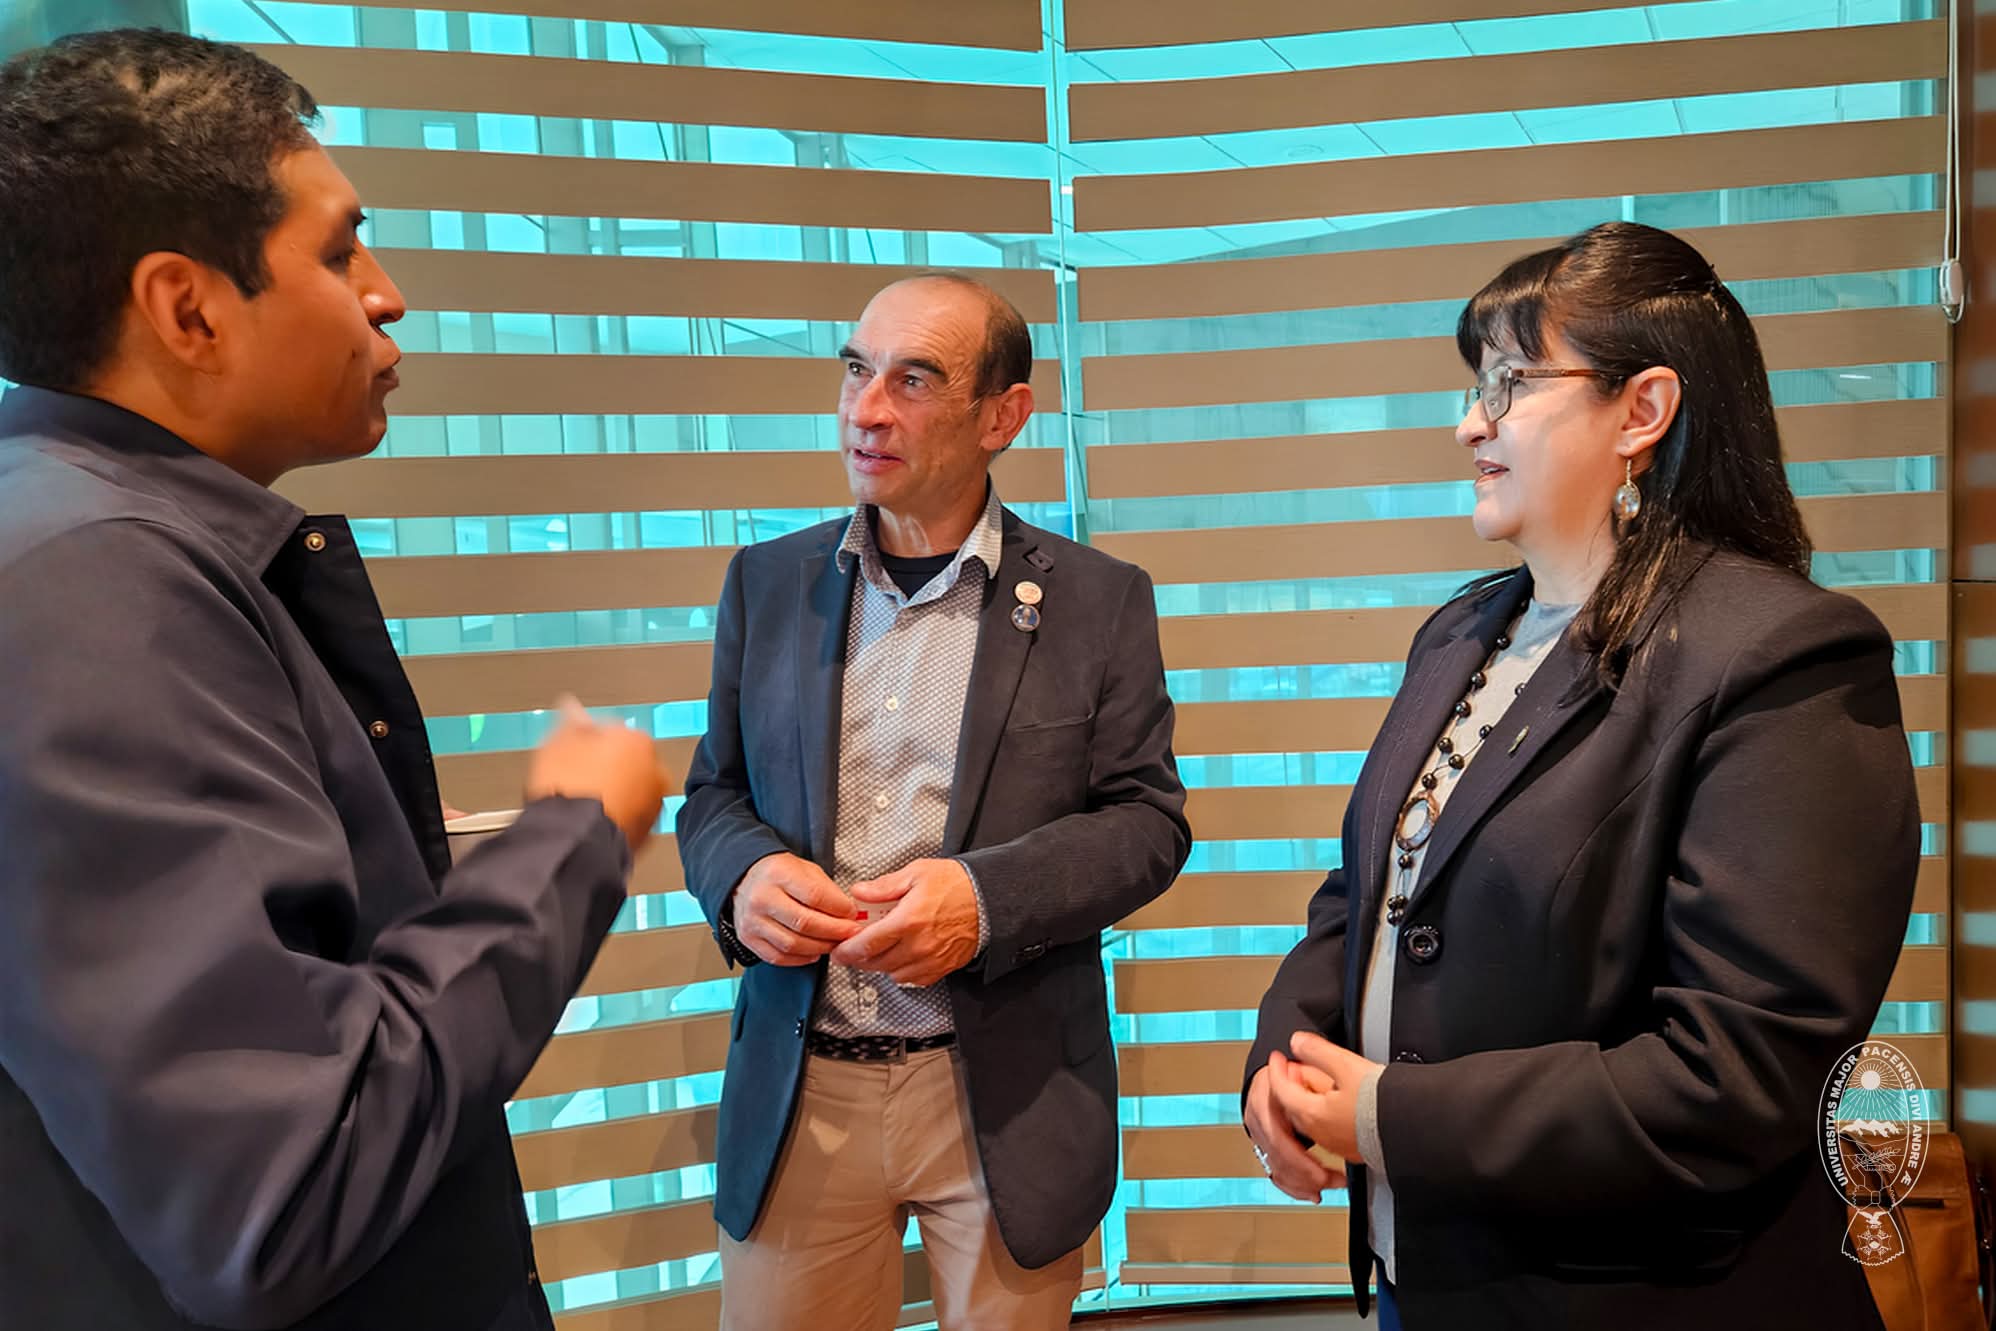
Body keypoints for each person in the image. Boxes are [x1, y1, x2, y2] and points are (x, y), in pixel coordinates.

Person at [0, 30, 670, 1331]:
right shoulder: (94, 584)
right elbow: (286, 1185)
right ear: (188, 308)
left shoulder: (100, 544)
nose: (388, 294)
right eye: (340, 250)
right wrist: (574, 837)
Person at [1242, 222, 1919, 1329]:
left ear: (1641, 411)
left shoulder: (1779, 656)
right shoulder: (1460, 634)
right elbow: (1368, 893)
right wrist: (1283, 1057)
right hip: (1429, 1278)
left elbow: (1737, 1070)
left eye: (1509, 383)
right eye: (1475, 386)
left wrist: (1393, 1116)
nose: (1470, 422)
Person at [677, 272, 1190, 1329]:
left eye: (913, 380)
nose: (866, 410)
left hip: (1003, 1091)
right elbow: (713, 793)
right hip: (803, 1089)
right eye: (855, 371)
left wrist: (985, 899)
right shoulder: (767, 583)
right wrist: (744, 876)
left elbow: (1146, 822)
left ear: (1003, 415)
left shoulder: (1098, 600)